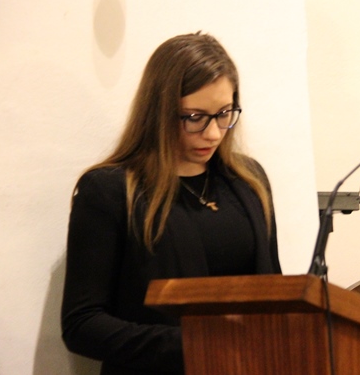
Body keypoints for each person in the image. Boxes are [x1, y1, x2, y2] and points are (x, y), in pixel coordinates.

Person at [60, 32, 282, 375]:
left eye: (224, 113)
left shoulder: (250, 181)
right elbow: (82, 325)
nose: (213, 133)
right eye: (195, 117)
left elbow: (274, 294)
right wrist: (193, 344)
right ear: (159, 112)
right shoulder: (109, 190)